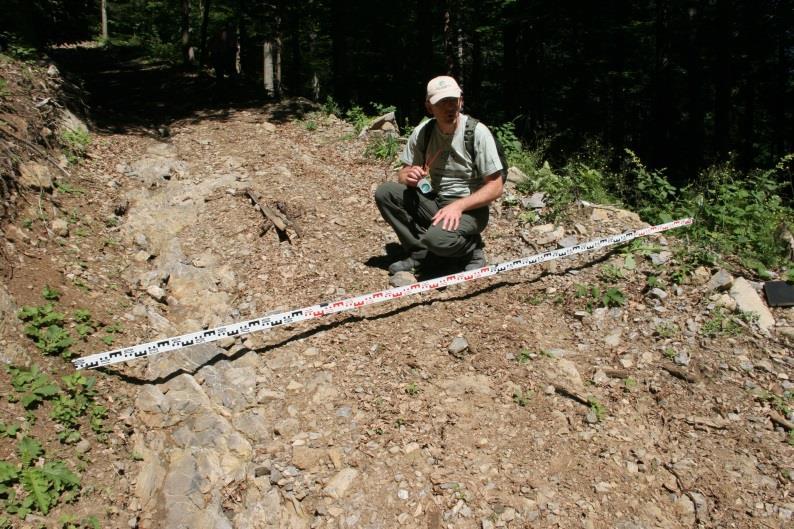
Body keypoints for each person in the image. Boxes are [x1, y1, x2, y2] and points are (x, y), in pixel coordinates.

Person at [374, 75, 504, 276]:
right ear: (429, 106)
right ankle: (420, 253)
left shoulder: (478, 133)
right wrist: (408, 176)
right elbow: (403, 173)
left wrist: (458, 205)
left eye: (453, 100)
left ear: (461, 101)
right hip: (435, 200)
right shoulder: (423, 133)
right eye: (442, 102)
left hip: (471, 208)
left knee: (437, 239)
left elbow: (496, 186)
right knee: (386, 192)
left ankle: (472, 251)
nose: (449, 107)